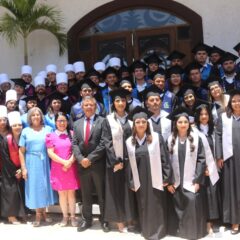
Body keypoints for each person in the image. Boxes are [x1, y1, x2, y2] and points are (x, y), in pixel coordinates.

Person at [126, 106, 172, 240]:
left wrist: (166, 176)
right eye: (138, 122)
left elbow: (165, 158)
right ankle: (146, 231)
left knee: (157, 205)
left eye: (143, 122)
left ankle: (159, 232)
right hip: (140, 180)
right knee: (143, 205)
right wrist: (131, 181)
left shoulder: (156, 138)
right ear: (134, 124)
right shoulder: (129, 142)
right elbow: (128, 165)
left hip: (155, 178)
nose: (141, 124)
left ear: (147, 123)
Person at [167, 107, 207, 239]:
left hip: (191, 181)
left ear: (189, 123)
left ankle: (192, 233)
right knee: (177, 204)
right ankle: (179, 231)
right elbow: (166, 162)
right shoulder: (170, 140)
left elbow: (201, 160)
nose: (183, 124)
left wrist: (197, 181)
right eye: (180, 122)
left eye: (185, 122)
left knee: (191, 201)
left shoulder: (196, 138)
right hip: (176, 182)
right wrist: (168, 182)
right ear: (175, 124)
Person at [72, 96, 109, 232]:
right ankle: (86, 220)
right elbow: (74, 143)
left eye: (91, 105)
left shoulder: (102, 121)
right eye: (86, 105)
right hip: (83, 165)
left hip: (98, 163)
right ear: (82, 107)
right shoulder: (76, 123)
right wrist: (81, 159)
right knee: (85, 194)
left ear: (95, 107)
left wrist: (90, 158)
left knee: (101, 193)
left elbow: (104, 142)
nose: (88, 107)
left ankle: (104, 219)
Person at [103, 88, 136, 232]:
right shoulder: (108, 120)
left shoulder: (131, 120)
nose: (121, 103)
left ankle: (128, 218)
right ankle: (119, 221)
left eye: (123, 100)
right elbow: (106, 141)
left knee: (128, 191)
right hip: (115, 163)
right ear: (113, 103)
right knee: (116, 191)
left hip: (130, 162)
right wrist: (116, 161)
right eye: (117, 100)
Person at [19, 107, 56, 227]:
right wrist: (23, 168)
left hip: (45, 161)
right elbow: (21, 151)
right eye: (33, 115)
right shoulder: (25, 131)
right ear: (29, 117)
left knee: (44, 186)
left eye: (38, 114)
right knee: (34, 187)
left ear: (41, 117)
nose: (36, 117)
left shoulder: (48, 129)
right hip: (31, 161)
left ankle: (44, 212)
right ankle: (38, 214)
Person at [46, 112, 80, 227]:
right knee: (62, 194)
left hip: (71, 167)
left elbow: (76, 150)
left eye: (64, 120)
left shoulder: (72, 134)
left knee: (71, 194)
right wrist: (64, 162)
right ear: (55, 122)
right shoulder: (50, 136)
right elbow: (50, 153)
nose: (62, 123)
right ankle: (65, 217)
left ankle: (73, 217)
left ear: (67, 122)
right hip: (58, 168)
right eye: (59, 121)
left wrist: (70, 161)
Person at [215, 89, 240, 234]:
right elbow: (218, 136)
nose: (237, 103)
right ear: (230, 103)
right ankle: (235, 221)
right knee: (232, 190)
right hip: (230, 159)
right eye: (234, 101)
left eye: (239, 100)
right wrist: (219, 156)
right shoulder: (224, 117)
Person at [194, 104, 220, 233]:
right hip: (201, 169)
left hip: (214, 168)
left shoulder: (213, 129)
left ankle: (213, 220)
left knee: (213, 195)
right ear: (197, 116)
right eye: (201, 114)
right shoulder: (194, 131)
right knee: (204, 195)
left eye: (206, 114)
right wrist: (203, 167)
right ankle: (206, 222)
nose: (204, 116)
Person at [0, 111, 25, 224]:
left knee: (19, 192)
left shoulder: (23, 138)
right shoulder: (7, 139)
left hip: (21, 169)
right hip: (8, 170)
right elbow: (5, 158)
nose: (17, 127)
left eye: (19, 125)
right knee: (11, 192)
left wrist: (22, 168)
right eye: (15, 125)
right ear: (11, 126)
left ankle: (19, 214)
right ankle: (10, 216)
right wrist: (15, 170)